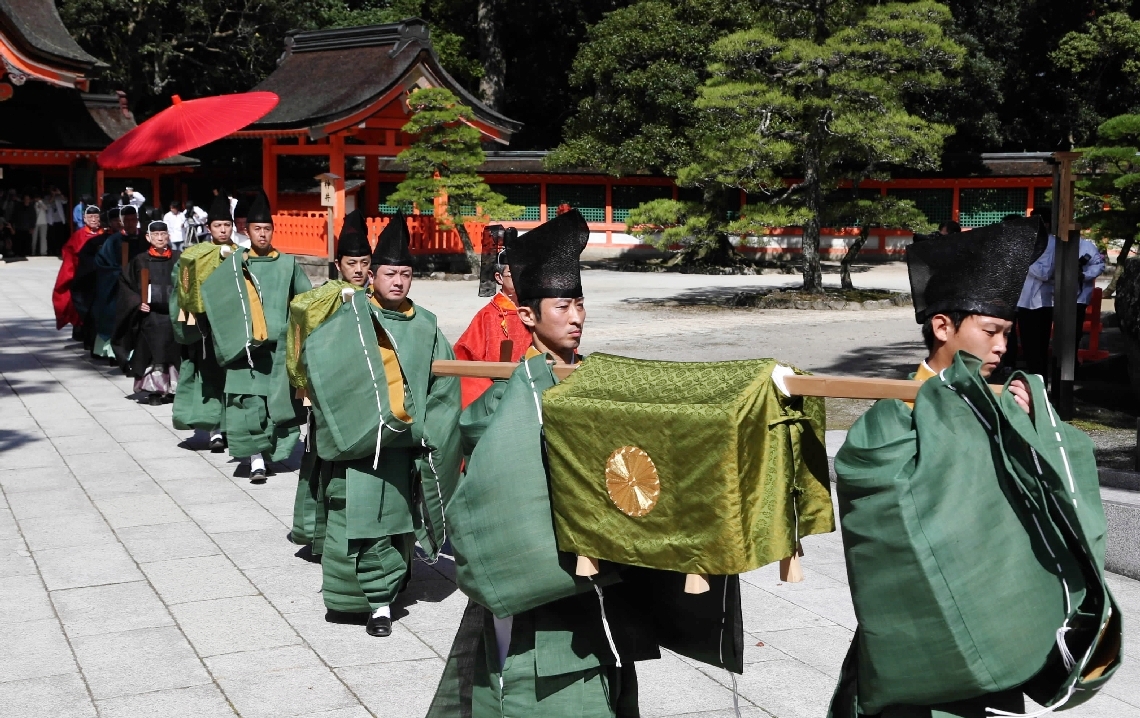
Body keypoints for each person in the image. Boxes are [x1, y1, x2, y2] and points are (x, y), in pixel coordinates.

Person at [828, 218, 1118, 718]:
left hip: (995, 603)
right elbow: (870, 478)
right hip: (923, 604)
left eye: (1006, 333)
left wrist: (1037, 429)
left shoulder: (1004, 405)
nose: (1003, 346)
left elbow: (1058, 488)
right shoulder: (896, 411)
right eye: (990, 331)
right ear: (942, 326)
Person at [430, 210, 655, 716]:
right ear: (528, 315)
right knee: (523, 675)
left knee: (604, 662)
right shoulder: (512, 394)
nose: (576, 318)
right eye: (562, 306)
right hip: (534, 559)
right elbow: (474, 441)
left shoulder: (594, 379)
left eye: (580, 305)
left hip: (602, 562)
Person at [311, 211, 461, 637]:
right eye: (390, 273)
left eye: (406, 274)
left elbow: (443, 386)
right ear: (371, 276)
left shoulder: (427, 325)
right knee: (360, 521)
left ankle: (389, 591)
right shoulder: (350, 318)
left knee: (398, 520)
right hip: (360, 442)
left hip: (407, 440)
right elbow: (326, 370)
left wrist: (430, 429)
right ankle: (374, 602)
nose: (398, 281)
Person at [200, 191, 311, 483]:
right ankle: (256, 459)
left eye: (267, 229)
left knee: (277, 406)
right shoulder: (236, 264)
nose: (262, 234)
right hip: (245, 350)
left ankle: (270, 451)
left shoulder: (288, 264)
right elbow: (215, 298)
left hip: (279, 349)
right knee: (248, 405)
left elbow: (306, 301)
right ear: (246, 231)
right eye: (257, 229)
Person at [285, 209, 373, 555]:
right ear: (339, 265)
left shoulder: (377, 296)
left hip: (367, 394)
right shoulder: (321, 298)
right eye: (352, 263)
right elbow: (300, 319)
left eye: (365, 262)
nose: (359, 270)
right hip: (329, 394)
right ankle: (316, 533)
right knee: (323, 462)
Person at [170, 195, 236, 451]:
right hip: (206, 328)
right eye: (218, 226)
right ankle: (215, 429)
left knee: (234, 380)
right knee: (210, 378)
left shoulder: (242, 254)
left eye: (227, 226)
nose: (223, 230)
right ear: (209, 228)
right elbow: (181, 286)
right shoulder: (193, 255)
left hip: (233, 328)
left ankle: (233, 427)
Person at [452, 225, 531, 407]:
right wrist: (491, 397)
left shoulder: (536, 312)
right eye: (513, 274)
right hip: (494, 397)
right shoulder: (487, 316)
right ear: (499, 278)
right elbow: (465, 360)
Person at [111, 220, 181, 404]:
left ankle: (174, 388)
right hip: (150, 315)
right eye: (156, 235)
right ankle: (155, 391)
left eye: (163, 234)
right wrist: (137, 302)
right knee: (152, 350)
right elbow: (126, 285)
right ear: (148, 237)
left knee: (175, 350)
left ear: (169, 236)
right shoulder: (140, 260)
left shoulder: (178, 258)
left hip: (173, 313)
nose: (160, 238)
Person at [90, 204, 147, 361]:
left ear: (137, 220)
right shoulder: (113, 241)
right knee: (114, 316)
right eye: (126, 220)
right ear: (121, 221)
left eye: (133, 220)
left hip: (142, 287)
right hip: (118, 287)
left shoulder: (145, 238)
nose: (130, 223)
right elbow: (102, 263)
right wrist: (120, 273)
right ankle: (113, 352)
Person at [53, 204, 107, 335]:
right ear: (84, 218)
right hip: (82, 274)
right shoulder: (78, 235)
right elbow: (69, 254)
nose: (93, 219)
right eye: (90, 216)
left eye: (96, 216)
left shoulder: (105, 234)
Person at [47, 186, 68, 256]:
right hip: (51, 221)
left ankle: (59, 250)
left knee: (60, 237)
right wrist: (53, 195)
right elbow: (49, 203)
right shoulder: (47, 197)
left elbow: (65, 201)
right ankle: (52, 251)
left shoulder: (59, 197)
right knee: (52, 237)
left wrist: (60, 193)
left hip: (59, 220)